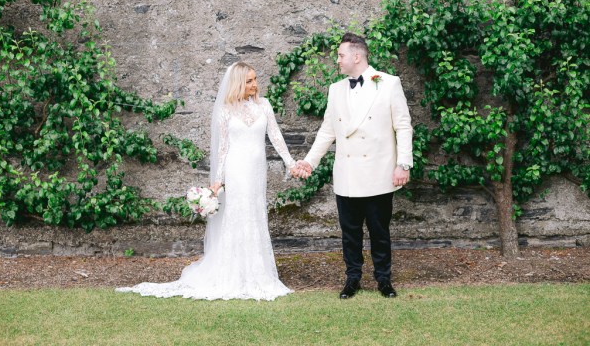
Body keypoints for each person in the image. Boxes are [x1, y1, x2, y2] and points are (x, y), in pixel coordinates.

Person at [116, 62, 296, 301]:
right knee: (237, 215)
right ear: (238, 83)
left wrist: (291, 163)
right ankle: (232, 273)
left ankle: (256, 272)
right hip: (236, 169)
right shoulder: (225, 110)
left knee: (254, 213)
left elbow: (275, 136)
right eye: (249, 81)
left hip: (256, 171)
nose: (254, 85)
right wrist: (218, 181)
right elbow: (222, 148)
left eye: (255, 80)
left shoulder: (264, 105)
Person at [294, 32, 413, 299]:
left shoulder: (389, 84)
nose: (338, 60)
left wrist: (403, 164)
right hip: (347, 174)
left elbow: (403, 126)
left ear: (356, 56)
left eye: (341, 55)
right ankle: (352, 279)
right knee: (350, 233)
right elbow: (327, 131)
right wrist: (310, 162)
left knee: (380, 231)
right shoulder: (335, 89)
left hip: (379, 172)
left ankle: (384, 279)